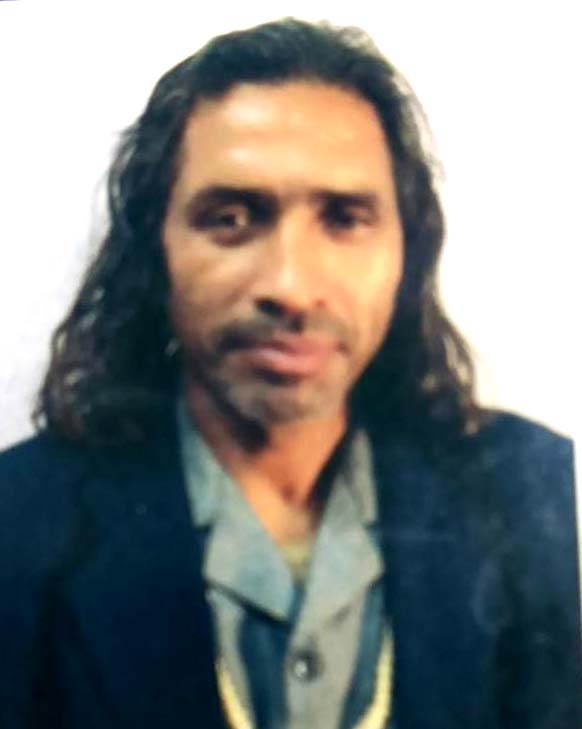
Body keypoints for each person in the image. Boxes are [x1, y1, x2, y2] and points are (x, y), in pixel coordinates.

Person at [0, 17, 579, 729]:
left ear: (408, 249)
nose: (291, 286)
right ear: (156, 250)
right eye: (232, 218)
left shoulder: (537, 492)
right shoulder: (16, 521)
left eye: (344, 218)